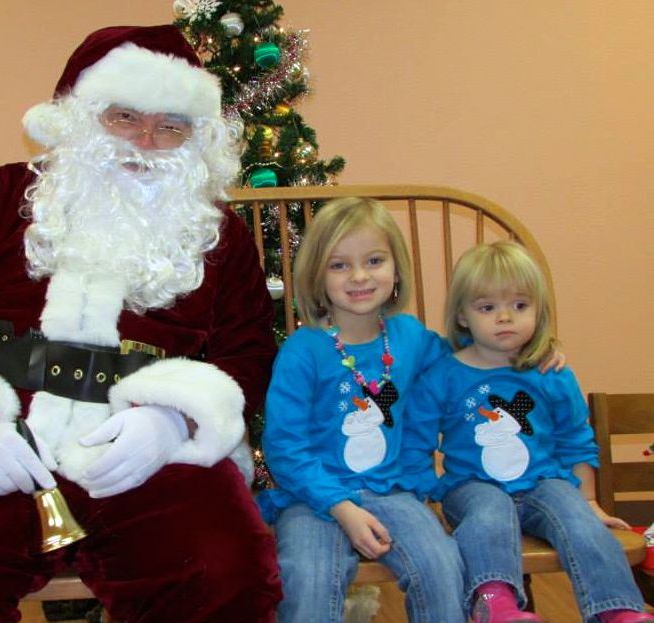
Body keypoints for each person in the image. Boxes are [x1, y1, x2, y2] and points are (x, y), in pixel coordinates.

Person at [0, 25, 282, 623]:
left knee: (225, 571)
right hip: (1, 443)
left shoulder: (220, 235)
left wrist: (174, 420)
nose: (147, 141)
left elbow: (249, 349)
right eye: (124, 116)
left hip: (148, 454)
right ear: (80, 117)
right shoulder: (0, 197)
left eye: (172, 125)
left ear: (196, 139)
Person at [404, 241, 653, 623]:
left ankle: (617, 609)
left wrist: (586, 501)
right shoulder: (444, 375)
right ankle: (494, 603)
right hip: (471, 487)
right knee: (490, 510)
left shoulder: (549, 372)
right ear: (463, 317)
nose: (505, 317)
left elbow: (574, 437)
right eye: (488, 307)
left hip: (542, 483)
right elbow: (416, 441)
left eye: (520, 306)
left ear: (539, 310)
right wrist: (424, 501)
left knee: (577, 517)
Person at [257, 197, 469, 623]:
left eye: (374, 260)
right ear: (317, 276)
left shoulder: (411, 337)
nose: (359, 276)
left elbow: (471, 365)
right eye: (339, 265)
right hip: (310, 497)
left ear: (396, 270)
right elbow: (284, 446)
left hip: (391, 491)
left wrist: (534, 352)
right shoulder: (304, 351)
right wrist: (341, 506)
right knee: (308, 578)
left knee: (442, 564)